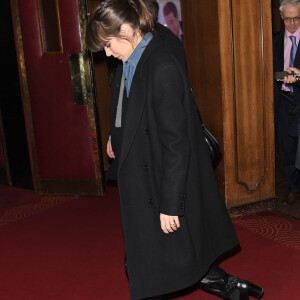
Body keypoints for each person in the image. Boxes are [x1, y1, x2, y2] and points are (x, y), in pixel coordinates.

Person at [86, 1, 263, 299]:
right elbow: (124, 100)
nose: (107, 53)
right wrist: (115, 136)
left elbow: (177, 143)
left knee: (150, 263)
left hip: (158, 176)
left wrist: (171, 204)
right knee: (156, 258)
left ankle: (232, 288)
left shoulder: (161, 65)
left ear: (127, 30)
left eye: (108, 44)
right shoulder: (130, 58)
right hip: (141, 172)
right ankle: (234, 290)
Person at [273, 0, 300, 204]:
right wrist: (283, 76)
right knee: (286, 148)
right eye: (288, 18)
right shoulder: (274, 40)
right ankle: (293, 188)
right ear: (281, 18)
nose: (292, 23)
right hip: (283, 101)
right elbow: (271, 72)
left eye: (297, 18)